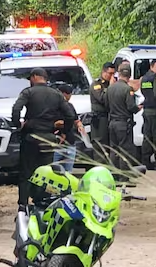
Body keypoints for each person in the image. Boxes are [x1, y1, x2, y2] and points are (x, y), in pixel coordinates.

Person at [12, 68, 76, 209]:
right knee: (46, 173)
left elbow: (16, 109)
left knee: (26, 173)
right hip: (49, 139)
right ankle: (43, 203)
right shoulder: (56, 94)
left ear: (35, 77)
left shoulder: (28, 92)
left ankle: (23, 205)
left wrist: (18, 125)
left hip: (31, 138)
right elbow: (70, 115)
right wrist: (64, 132)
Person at [105, 64, 142, 178]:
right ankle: (124, 176)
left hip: (112, 123)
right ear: (129, 75)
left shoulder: (110, 88)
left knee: (114, 150)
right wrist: (138, 108)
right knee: (125, 149)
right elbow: (131, 107)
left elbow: (106, 105)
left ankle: (113, 175)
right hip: (123, 124)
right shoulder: (127, 89)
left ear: (119, 74)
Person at [53, 84, 85, 172]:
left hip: (70, 143)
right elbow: (55, 123)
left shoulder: (70, 106)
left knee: (68, 171)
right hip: (57, 144)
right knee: (53, 170)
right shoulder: (53, 107)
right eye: (68, 94)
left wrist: (80, 125)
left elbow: (75, 120)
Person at [90, 62, 115, 162]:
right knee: (100, 143)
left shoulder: (112, 84)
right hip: (100, 118)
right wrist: (110, 88)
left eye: (114, 73)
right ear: (104, 72)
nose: (112, 76)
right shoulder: (97, 84)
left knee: (109, 143)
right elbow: (102, 99)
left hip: (110, 117)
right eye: (110, 73)